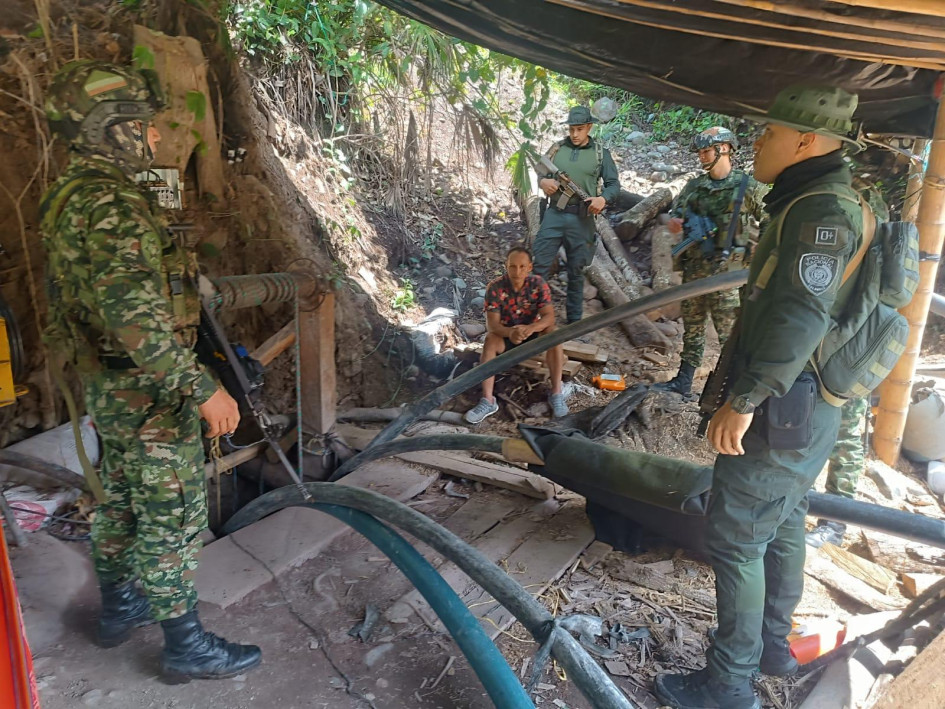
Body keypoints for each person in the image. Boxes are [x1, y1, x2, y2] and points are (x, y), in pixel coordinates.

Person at [40, 60, 261, 682]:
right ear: (110, 130)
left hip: (113, 387)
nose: (155, 137)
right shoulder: (111, 203)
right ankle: (185, 646)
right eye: (141, 125)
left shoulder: (69, 198)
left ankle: (119, 610)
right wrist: (203, 389)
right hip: (149, 391)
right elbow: (135, 320)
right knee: (173, 512)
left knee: (122, 503)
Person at [655, 85, 867, 709]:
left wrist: (745, 400)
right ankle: (772, 647)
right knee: (785, 519)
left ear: (805, 141)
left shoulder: (821, 211)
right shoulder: (835, 197)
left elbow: (801, 315)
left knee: (738, 537)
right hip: (813, 402)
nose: (757, 144)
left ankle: (728, 683)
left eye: (767, 134)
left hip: (782, 404)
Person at [658, 127, 768, 397]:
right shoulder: (695, 186)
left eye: (707, 151)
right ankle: (684, 380)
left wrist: (760, 252)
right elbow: (676, 214)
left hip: (728, 275)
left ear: (725, 149)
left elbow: (771, 219)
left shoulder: (747, 186)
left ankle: (735, 388)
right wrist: (675, 224)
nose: (702, 157)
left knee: (729, 333)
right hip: (696, 270)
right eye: (700, 152)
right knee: (693, 327)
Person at [532, 105, 621, 324]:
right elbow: (539, 172)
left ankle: (573, 323)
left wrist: (603, 199)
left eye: (580, 129)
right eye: (572, 129)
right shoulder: (557, 148)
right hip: (554, 213)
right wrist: (543, 182)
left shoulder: (601, 153)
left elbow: (614, 185)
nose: (575, 134)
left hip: (582, 219)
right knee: (540, 265)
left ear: (589, 127)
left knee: (576, 271)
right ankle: (532, 316)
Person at [464, 246, 568, 423]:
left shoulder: (538, 284)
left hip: (532, 335)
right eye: (513, 266)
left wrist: (532, 328)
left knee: (553, 334)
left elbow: (549, 316)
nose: (517, 271)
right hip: (506, 336)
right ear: (506, 265)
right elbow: (492, 325)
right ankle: (488, 400)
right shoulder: (495, 287)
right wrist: (511, 332)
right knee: (490, 339)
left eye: (522, 267)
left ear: (529, 267)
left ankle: (556, 393)